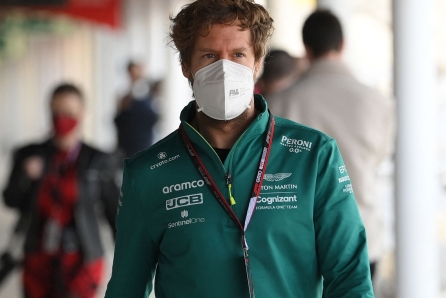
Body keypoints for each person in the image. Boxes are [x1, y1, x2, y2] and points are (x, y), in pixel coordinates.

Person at [105, 1, 374, 297]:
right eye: (209, 55)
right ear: (186, 66)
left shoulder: (313, 156)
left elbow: (350, 278)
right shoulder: (148, 174)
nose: (224, 69)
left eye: (238, 55)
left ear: (257, 63)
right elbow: (125, 289)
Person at [269, 9, 395, 281]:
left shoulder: (280, 103)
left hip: (300, 240)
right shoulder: (377, 102)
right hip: (361, 234)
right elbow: (379, 158)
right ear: (342, 44)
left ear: (306, 48)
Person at [2, 83, 120, 298]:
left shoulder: (99, 161)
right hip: (38, 259)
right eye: (56, 113)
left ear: (82, 113)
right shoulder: (29, 155)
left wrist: (129, 261)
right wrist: (25, 178)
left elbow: (116, 214)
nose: (62, 119)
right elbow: (10, 199)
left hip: (83, 260)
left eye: (69, 113)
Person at [114, 61, 159, 159]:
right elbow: (119, 119)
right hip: (128, 146)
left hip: (145, 144)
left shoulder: (150, 93)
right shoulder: (125, 97)